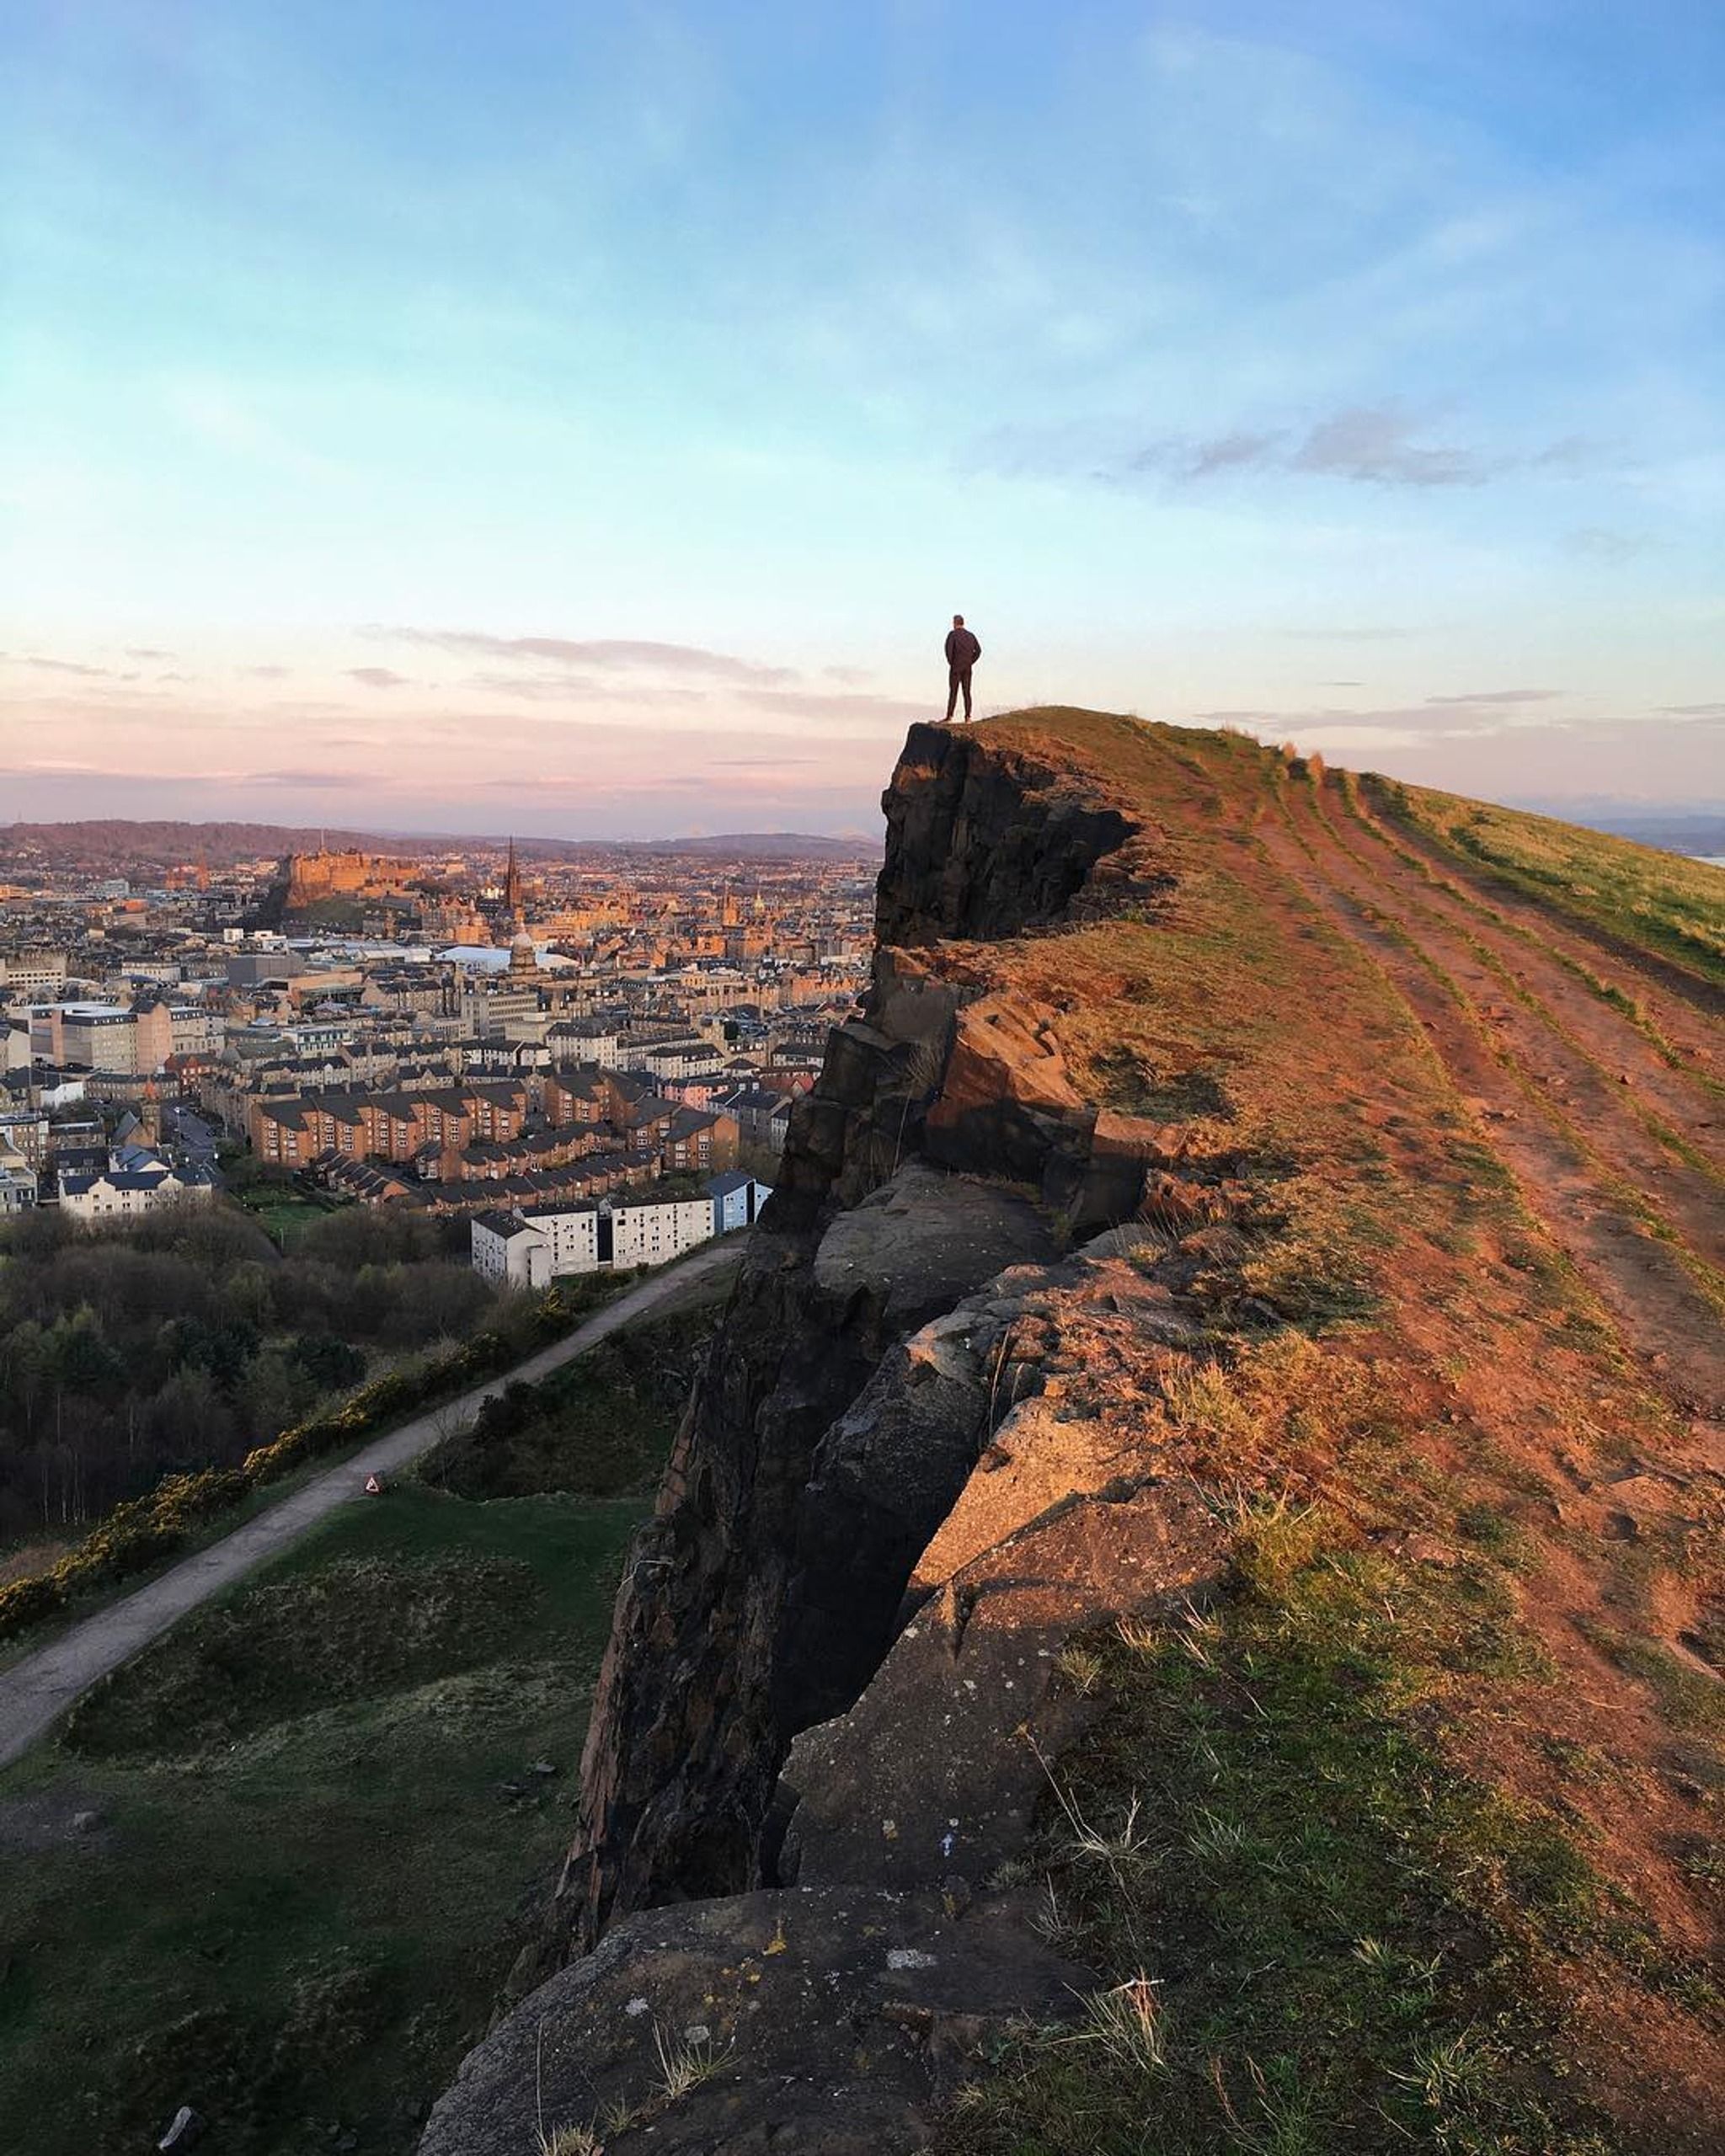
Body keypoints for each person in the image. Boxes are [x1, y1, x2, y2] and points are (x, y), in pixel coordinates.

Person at [943, 614, 982, 722]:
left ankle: (949, 716)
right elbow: (978, 651)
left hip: (956, 667)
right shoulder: (971, 636)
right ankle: (968, 717)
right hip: (967, 667)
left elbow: (948, 651)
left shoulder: (952, 635)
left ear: (955, 623)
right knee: (967, 693)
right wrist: (970, 661)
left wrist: (952, 663)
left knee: (953, 693)